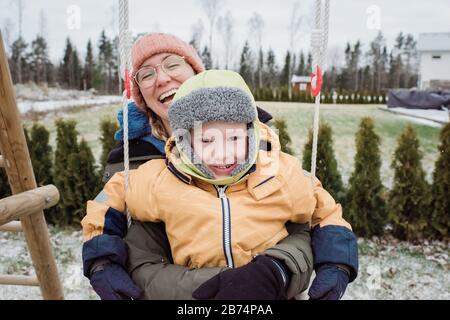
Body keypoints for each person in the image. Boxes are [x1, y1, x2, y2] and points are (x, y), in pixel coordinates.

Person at [82, 69, 358, 300]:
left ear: (251, 133)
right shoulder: (160, 179)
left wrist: (336, 262)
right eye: (206, 141)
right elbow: (111, 198)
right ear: (184, 140)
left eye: (235, 139)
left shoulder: (279, 172)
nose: (222, 154)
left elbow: (324, 209)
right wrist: (101, 259)